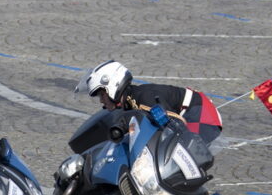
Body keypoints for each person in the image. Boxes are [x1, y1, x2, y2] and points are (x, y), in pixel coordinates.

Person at [74, 60, 223, 145]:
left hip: (200, 113)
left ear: (112, 86)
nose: (101, 100)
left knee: (185, 152)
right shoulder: (130, 102)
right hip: (194, 111)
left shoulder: (144, 100)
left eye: (102, 94)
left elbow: (177, 124)